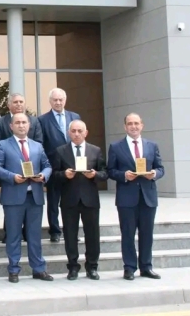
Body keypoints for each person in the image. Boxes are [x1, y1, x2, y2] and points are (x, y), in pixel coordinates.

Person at [0, 113, 53, 283]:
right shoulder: (3, 145)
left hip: (35, 196)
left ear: (29, 125)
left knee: (35, 235)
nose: (21, 125)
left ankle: (38, 269)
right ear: (11, 126)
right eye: (17, 122)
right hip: (13, 197)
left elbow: (47, 165)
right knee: (13, 235)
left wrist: (43, 175)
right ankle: (13, 269)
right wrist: (12, 177)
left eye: (24, 122)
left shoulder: (37, 146)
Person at [107, 113, 165, 281]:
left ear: (142, 125)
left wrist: (154, 174)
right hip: (127, 197)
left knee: (147, 234)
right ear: (125, 127)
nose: (133, 126)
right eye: (130, 123)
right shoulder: (116, 147)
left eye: (136, 123)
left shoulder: (152, 146)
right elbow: (110, 170)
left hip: (148, 197)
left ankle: (146, 267)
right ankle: (129, 267)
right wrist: (124, 175)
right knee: (128, 234)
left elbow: (160, 168)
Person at [52, 120, 107, 280]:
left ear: (86, 133)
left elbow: (105, 173)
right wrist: (64, 175)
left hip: (90, 200)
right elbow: (53, 175)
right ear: (69, 133)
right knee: (70, 235)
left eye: (80, 131)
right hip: (69, 199)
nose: (76, 134)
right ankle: (73, 267)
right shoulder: (60, 151)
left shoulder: (95, 150)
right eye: (73, 131)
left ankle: (92, 267)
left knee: (93, 234)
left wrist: (95, 175)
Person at [38, 88, 80, 242]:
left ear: (65, 100)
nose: (58, 102)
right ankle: (55, 231)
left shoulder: (75, 117)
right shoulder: (42, 120)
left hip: (73, 165)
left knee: (72, 202)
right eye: (55, 100)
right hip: (54, 166)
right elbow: (41, 144)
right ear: (50, 101)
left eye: (60, 99)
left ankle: (72, 232)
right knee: (53, 201)